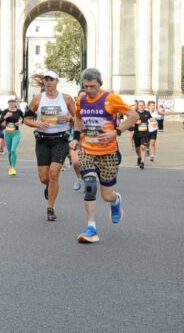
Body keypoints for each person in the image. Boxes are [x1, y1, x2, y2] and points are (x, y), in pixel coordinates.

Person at [70, 68, 137, 244]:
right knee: (90, 186)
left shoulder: (111, 99)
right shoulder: (81, 100)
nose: (89, 90)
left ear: (100, 84)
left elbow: (133, 115)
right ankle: (91, 228)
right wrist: (76, 138)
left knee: (106, 195)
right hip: (87, 151)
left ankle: (116, 201)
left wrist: (117, 132)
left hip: (108, 154)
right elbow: (77, 118)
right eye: (86, 86)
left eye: (93, 86)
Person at [23, 71, 77, 222]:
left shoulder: (66, 98)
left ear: (56, 82)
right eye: (46, 80)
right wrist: (38, 123)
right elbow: (26, 119)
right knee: (44, 177)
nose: (49, 82)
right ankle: (49, 187)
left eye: (51, 80)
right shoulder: (37, 99)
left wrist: (70, 118)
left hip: (60, 139)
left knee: (54, 173)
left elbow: (78, 118)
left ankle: (50, 208)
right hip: (42, 140)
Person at [0, 99, 24, 176]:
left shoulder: (19, 111)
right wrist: (6, 116)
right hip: (7, 133)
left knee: (13, 150)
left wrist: (20, 122)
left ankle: (13, 167)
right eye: (10, 102)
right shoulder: (5, 111)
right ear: (8, 104)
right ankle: (11, 167)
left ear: (15, 103)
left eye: (13, 102)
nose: (12, 104)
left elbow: (23, 119)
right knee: (10, 151)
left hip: (16, 133)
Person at [130, 100, 151, 169]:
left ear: (144, 106)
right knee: (137, 148)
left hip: (145, 133)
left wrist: (153, 121)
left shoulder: (147, 113)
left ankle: (142, 162)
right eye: (140, 105)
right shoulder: (135, 113)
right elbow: (130, 122)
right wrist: (135, 122)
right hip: (137, 133)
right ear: (138, 106)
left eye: (143, 105)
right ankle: (139, 157)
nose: (142, 107)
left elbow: (151, 119)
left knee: (143, 147)